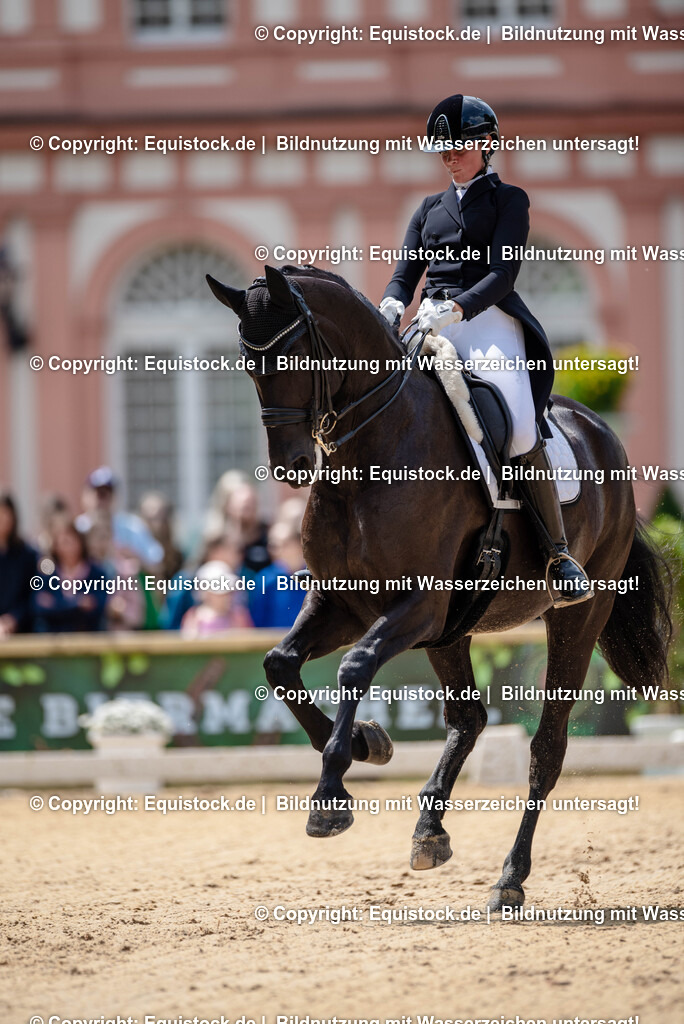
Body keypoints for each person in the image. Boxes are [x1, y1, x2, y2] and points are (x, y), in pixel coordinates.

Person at [379, 94, 591, 605]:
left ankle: (559, 554)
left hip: (487, 321)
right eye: (444, 150)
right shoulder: (428, 209)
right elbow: (407, 272)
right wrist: (389, 306)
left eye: (460, 147)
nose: (451, 157)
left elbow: (502, 274)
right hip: (430, 323)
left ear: (487, 144)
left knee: (518, 424)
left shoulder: (508, 200)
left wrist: (458, 309)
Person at [32, 518, 108, 632]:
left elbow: (99, 606)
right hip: (54, 641)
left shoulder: (96, 572)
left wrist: (57, 605)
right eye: (64, 542)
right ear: (56, 546)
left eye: (72, 541)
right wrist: (77, 604)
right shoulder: (47, 574)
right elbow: (39, 607)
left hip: (88, 639)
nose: (69, 548)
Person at [180, 560, 252, 636]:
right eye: (221, 594)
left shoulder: (239, 616)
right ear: (205, 594)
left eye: (229, 593)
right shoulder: (194, 617)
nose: (226, 598)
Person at [0, 491, 37, 635]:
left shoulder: (27, 554)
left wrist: (13, 618)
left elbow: (33, 593)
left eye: (5, 513)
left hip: (22, 632)